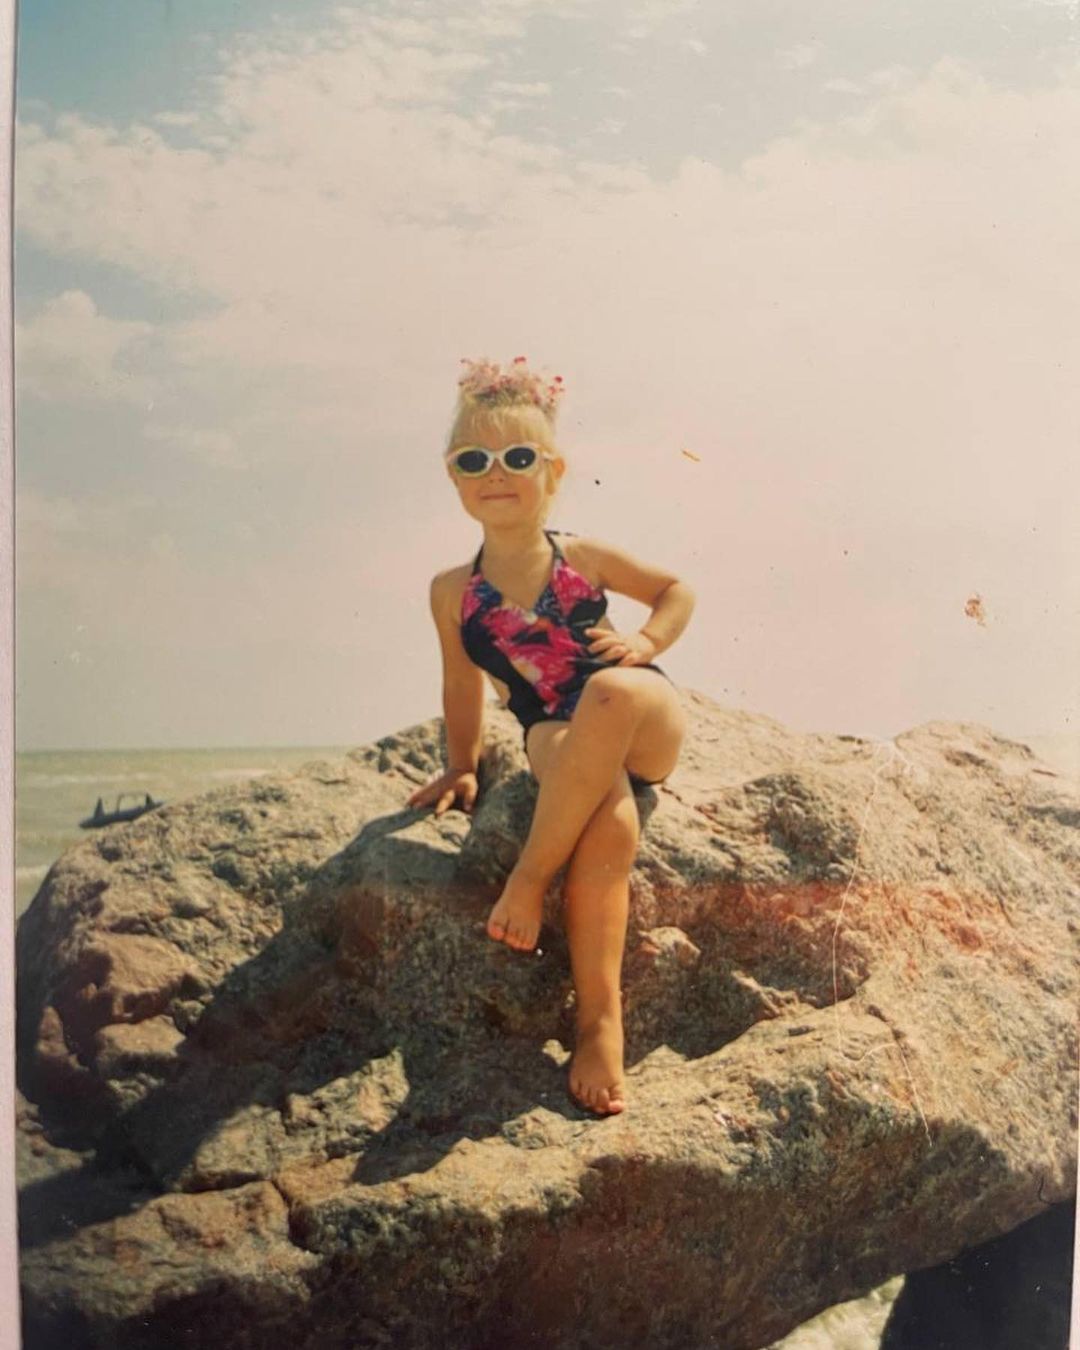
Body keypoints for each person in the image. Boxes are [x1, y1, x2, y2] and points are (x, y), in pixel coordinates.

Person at [407, 356, 694, 1115]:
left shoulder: (582, 557)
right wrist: (461, 766)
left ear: (554, 471)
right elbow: (461, 682)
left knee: (608, 693)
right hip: (551, 729)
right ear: (453, 476)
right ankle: (600, 1023)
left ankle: (528, 880)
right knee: (609, 816)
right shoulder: (452, 592)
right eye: (474, 460)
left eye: (517, 456)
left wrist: (645, 643)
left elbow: (675, 589)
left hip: (636, 711)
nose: (495, 473)